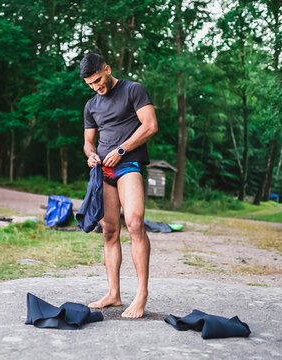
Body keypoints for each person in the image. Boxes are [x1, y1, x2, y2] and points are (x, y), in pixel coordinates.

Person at [80, 53, 158, 318]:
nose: (96, 87)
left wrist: (123, 149)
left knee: (135, 224)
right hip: (103, 170)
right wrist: (90, 154)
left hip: (128, 165)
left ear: (107, 69)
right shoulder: (91, 105)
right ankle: (114, 294)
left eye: (98, 80)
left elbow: (150, 126)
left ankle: (141, 295)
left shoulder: (133, 90)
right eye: (90, 84)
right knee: (109, 232)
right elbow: (88, 141)